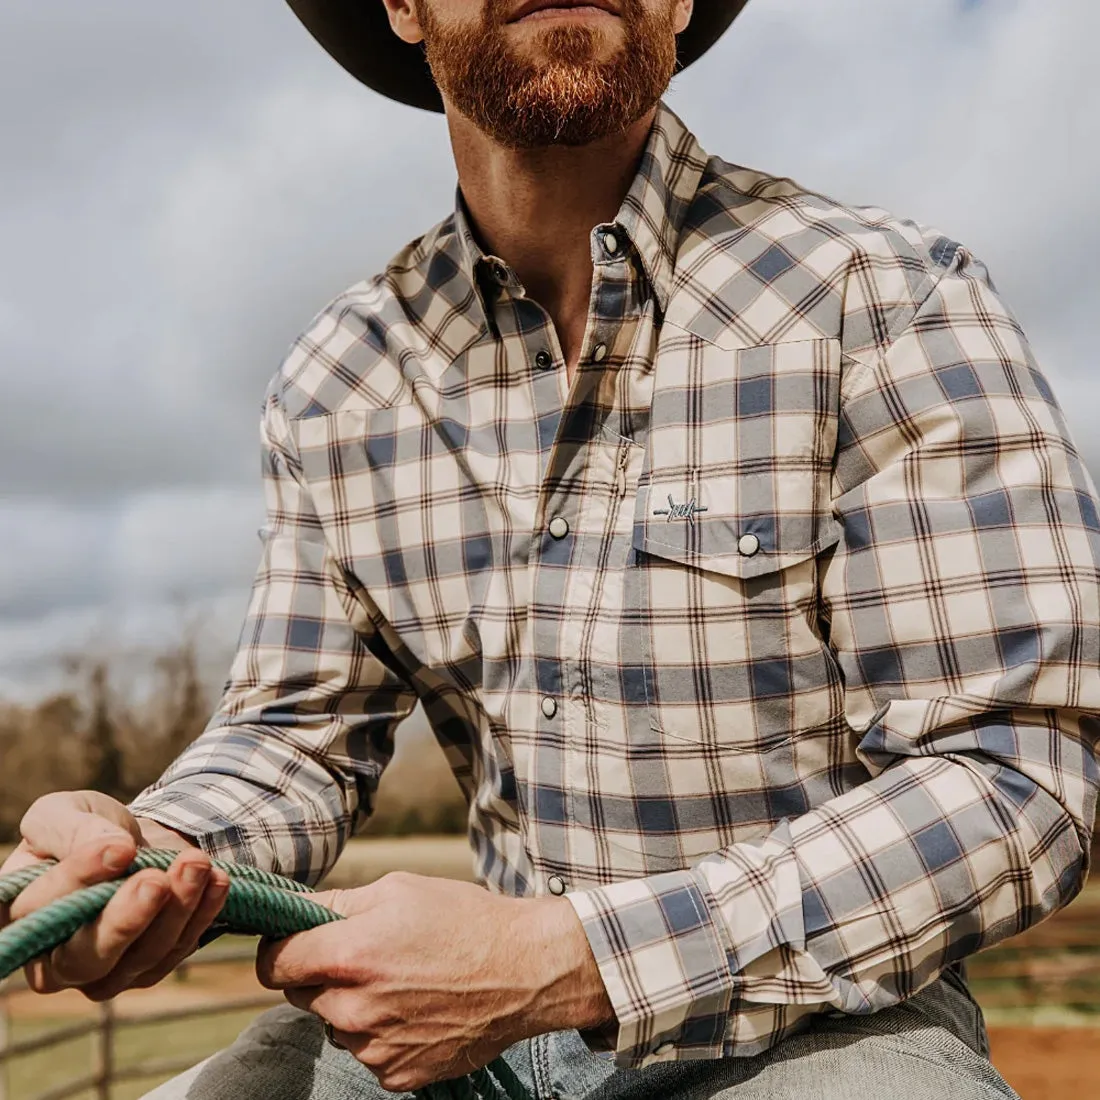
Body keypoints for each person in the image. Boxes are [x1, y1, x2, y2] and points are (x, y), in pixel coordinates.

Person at [3, 1, 1098, 1097]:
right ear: (400, 4)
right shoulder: (337, 378)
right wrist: (142, 850)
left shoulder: (886, 296)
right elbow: (294, 737)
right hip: (452, 1038)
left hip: (817, 1022)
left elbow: (1016, 779)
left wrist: (559, 959)